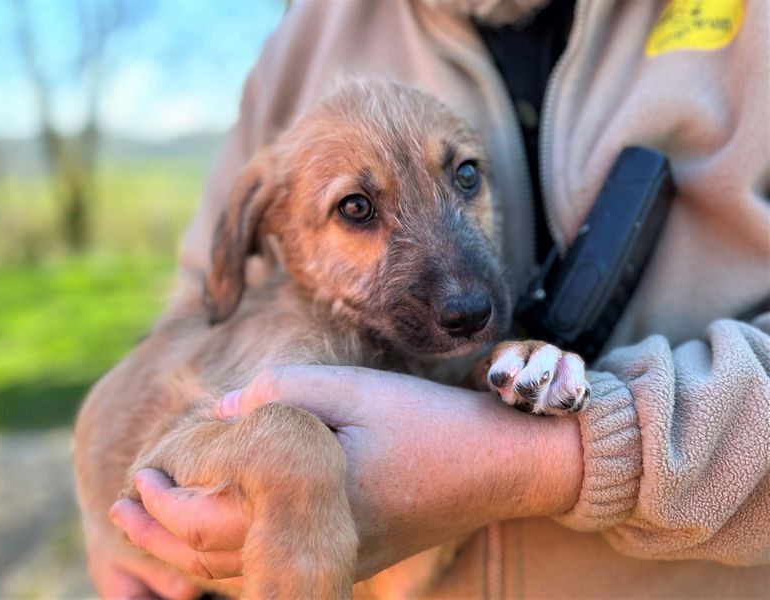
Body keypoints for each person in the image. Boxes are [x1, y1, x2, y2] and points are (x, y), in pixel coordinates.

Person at [85, 0, 770, 597]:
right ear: (268, 230)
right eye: (357, 209)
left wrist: (548, 453)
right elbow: (197, 316)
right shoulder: (311, 28)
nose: (464, 292)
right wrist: (109, 523)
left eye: (465, 178)